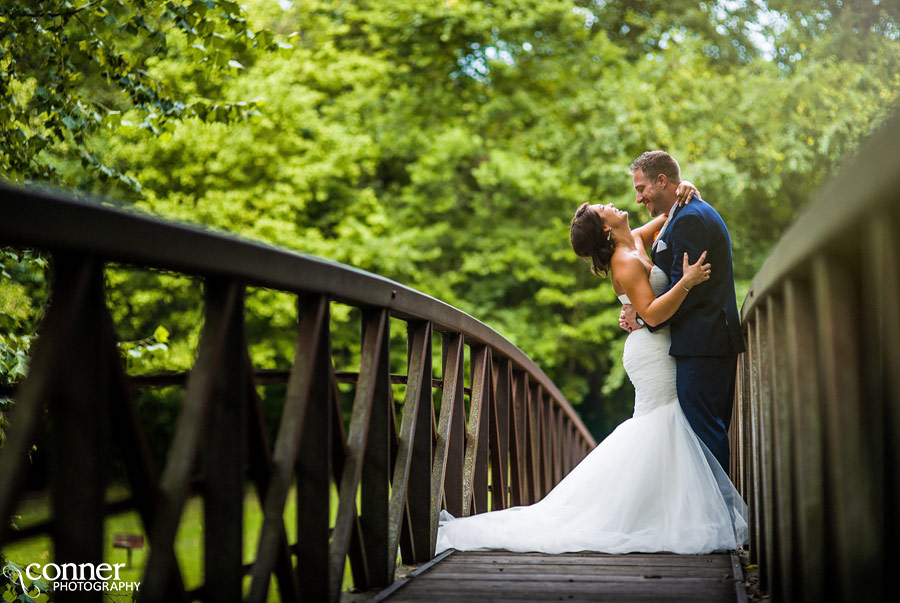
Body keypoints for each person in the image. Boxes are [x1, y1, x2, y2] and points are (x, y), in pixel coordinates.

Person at [433, 184, 747, 555]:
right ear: (604, 229)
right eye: (605, 208)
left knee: (666, 428)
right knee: (663, 424)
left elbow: (669, 216)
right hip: (652, 351)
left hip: (659, 344)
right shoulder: (626, 261)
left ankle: (660, 512)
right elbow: (652, 313)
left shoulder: (632, 241)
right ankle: (662, 516)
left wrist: (687, 188)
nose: (614, 204)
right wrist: (686, 282)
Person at [622, 151, 745, 472]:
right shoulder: (680, 215)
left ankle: (718, 515)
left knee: (705, 435)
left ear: (662, 181)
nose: (637, 199)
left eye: (641, 188)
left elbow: (689, 291)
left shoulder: (689, 218)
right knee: (700, 432)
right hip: (697, 343)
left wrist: (645, 317)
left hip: (705, 342)